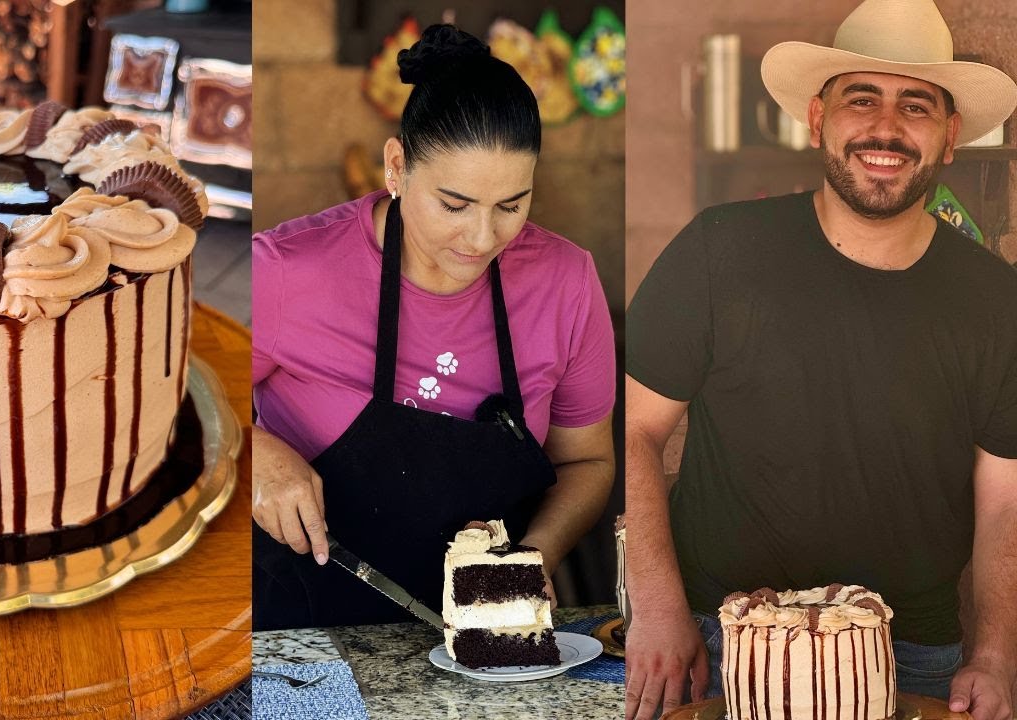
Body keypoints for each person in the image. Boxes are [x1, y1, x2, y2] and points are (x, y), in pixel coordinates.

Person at [624, 1, 1017, 718]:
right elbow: (635, 433)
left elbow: (1005, 497)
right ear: (817, 119)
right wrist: (658, 610)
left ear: (951, 137)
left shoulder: (997, 299)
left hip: (913, 654)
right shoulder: (718, 251)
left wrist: (995, 656)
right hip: (719, 638)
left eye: (916, 106)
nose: (886, 128)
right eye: (861, 98)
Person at [252, 25, 616, 630]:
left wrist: (531, 559)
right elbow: (177, 407)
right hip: (303, 632)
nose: (482, 238)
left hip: (488, 635)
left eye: (511, 206)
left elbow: (587, 463)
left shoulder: (566, 282)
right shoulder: (288, 271)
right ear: (396, 166)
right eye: (455, 204)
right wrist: (255, 456)